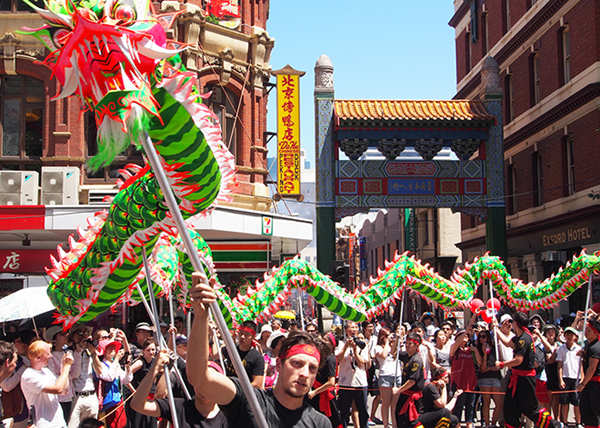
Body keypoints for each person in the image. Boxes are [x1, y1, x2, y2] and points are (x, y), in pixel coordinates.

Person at [187, 271, 331, 428]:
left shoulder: (320, 423)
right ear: (279, 365)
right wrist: (201, 318)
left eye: (312, 368)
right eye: (297, 363)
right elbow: (199, 379)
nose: (304, 374)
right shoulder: (250, 401)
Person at [495, 311, 563, 428]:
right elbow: (507, 343)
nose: (511, 324)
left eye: (512, 322)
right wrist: (496, 328)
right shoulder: (520, 337)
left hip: (525, 380)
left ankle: (555, 425)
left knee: (531, 410)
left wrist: (502, 364)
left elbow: (518, 360)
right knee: (509, 408)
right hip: (516, 378)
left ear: (516, 323)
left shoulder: (524, 339)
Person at [131, 348, 229, 428]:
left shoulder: (227, 417)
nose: (203, 387)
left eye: (209, 383)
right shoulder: (179, 407)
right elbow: (137, 404)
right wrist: (154, 369)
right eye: (199, 381)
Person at [20, 340, 73, 428]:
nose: (51, 356)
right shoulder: (28, 375)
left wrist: (63, 367)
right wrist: (67, 367)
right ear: (38, 357)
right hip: (45, 424)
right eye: (48, 354)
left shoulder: (46, 371)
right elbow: (58, 389)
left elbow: (64, 390)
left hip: (60, 423)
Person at [92, 338, 133, 428]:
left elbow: (126, 380)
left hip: (117, 401)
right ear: (104, 350)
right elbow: (109, 377)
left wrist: (128, 367)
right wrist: (117, 359)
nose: (113, 350)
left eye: (114, 348)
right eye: (110, 348)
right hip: (107, 403)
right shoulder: (101, 365)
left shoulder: (115, 364)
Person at [336, 322, 369, 428]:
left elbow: (362, 363)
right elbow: (337, 359)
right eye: (351, 327)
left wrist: (355, 351)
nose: (354, 329)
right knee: (343, 412)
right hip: (345, 383)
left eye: (355, 327)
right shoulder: (340, 343)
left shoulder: (362, 344)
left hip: (360, 383)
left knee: (363, 412)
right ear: (346, 330)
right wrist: (346, 347)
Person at [1, 330, 35, 428]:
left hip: (26, 408)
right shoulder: (9, 361)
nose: (23, 344)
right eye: (18, 341)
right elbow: (6, 386)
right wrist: (23, 369)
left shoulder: (25, 359)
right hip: (14, 410)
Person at [392, 332, 426, 428]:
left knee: (411, 422)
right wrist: (397, 340)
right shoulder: (407, 355)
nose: (407, 346)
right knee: (400, 418)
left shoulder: (416, 360)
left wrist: (398, 390)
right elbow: (393, 353)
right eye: (406, 343)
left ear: (416, 345)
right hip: (404, 394)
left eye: (410, 344)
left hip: (412, 397)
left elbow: (412, 381)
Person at [68, 326, 100, 428]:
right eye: (80, 334)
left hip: (91, 396)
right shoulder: (69, 352)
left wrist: (93, 353)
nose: (84, 337)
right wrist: (78, 350)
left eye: (86, 334)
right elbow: (73, 375)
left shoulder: (91, 352)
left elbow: (100, 372)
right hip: (76, 397)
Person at [473, 327, 503, 428]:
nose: (481, 339)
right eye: (480, 337)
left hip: (495, 377)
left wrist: (492, 368)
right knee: (486, 402)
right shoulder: (478, 349)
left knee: (498, 403)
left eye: (484, 336)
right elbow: (483, 368)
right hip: (484, 378)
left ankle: (493, 423)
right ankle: (486, 424)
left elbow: (498, 365)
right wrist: (485, 354)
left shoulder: (495, 349)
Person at [308, 335, 341, 428]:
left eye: (326, 340)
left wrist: (314, 392)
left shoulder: (331, 358)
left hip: (324, 396)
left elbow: (331, 382)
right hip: (315, 394)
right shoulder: (318, 357)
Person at [221, 321, 264, 389]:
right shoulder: (231, 350)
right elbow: (214, 355)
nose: (242, 337)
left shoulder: (257, 358)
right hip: (226, 391)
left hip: (243, 396)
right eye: (241, 333)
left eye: (246, 334)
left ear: (253, 337)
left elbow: (257, 384)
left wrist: (237, 389)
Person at [449, 329, 477, 428]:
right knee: (458, 407)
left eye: (466, 335)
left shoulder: (471, 350)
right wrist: (467, 329)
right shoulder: (454, 349)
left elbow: (479, 362)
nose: (465, 337)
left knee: (470, 406)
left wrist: (476, 351)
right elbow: (456, 344)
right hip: (458, 383)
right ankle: (457, 425)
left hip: (471, 383)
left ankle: (469, 424)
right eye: (461, 335)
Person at [576, 315, 600, 428]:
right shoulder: (588, 345)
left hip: (595, 384)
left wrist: (583, 383)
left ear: (595, 332)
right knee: (586, 410)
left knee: (595, 410)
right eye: (585, 330)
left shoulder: (596, 347)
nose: (586, 332)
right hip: (590, 383)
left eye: (589, 330)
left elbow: (592, 368)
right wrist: (584, 355)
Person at [555, 326, 582, 426]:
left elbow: (581, 365)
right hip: (566, 377)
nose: (569, 336)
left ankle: (578, 422)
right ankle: (564, 422)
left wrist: (582, 378)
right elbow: (560, 365)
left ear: (575, 336)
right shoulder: (561, 349)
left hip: (576, 378)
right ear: (565, 336)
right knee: (564, 402)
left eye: (571, 334)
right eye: (567, 334)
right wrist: (561, 379)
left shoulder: (579, 349)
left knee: (576, 402)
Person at [46, 327, 75, 420]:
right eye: (62, 334)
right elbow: (52, 376)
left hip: (68, 395)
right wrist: (65, 368)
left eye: (67, 333)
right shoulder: (50, 356)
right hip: (57, 397)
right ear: (55, 338)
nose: (66, 336)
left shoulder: (68, 353)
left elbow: (75, 374)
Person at [374, 328, 400, 428]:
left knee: (394, 404)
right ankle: (385, 424)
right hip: (385, 375)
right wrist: (388, 341)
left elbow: (393, 351)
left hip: (396, 375)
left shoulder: (392, 346)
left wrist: (397, 338)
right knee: (385, 403)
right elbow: (384, 355)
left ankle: (394, 424)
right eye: (386, 335)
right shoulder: (378, 347)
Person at [129, 338, 158, 428]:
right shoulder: (140, 363)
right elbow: (125, 377)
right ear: (143, 351)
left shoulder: (155, 362)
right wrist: (134, 391)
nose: (151, 352)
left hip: (151, 397)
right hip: (140, 399)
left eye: (153, 349)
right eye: (148, 350)